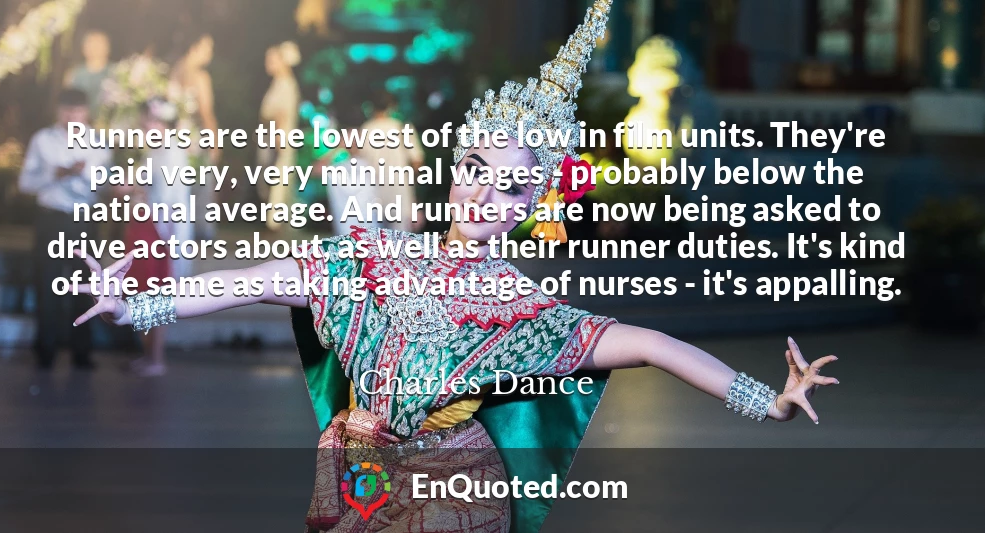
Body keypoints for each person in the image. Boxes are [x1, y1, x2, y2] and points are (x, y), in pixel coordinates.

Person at [71, 2, 839, 530]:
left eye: (509, 186)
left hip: (455, 492)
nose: (482, 194)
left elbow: (649, 344)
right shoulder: (373, 255)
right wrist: (140, 302)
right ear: (454, 165)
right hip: (359, 476)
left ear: (531, 203)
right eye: (474, 169)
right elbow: (257, 280)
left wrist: (767, 402)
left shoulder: (522, 311)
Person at [19, 89, 111, 370]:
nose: (72, 116)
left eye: (77, 110)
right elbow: (25, 183)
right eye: (67, 109)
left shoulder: (99, 142)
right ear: (58, 110)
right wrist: (52, 175)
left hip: (85, 220)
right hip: (51, 219)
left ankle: (82, 351)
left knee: (87, 284)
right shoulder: (43, 139)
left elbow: (107, 185)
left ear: (86, 112)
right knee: (47, 283)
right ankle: (45, 351)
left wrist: (83, 172)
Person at [117, 97, 193, 377]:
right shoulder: (154, 151)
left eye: (155, 121)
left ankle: (156, 357)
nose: (148, 126)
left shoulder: (172, 152)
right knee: (140, 288)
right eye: (146, 121)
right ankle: (148, 353)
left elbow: (169, 199)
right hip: (144, 226)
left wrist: (135, 189)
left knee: (155, 288)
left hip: (157, 230)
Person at [169, 35, 218, 239]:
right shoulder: (200, 77)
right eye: (207, 48)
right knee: (200, 188)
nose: (210, 53)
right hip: (195, 139)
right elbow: (206, 112)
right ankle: (199, 236)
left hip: (174, 138)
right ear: (193, 47)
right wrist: (215, 142)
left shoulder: (174, 72)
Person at [357, 90, 425, 232]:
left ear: (371, 107)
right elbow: (417, 162)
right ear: (392, 106)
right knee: (401, 238)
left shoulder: (365, 130)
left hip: (372, 191)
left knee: (374, 238)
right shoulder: (402, 127)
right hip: (399, 191)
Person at [258, 41, 303, 231]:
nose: (268, 63)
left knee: (278, 179)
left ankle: (275, 223)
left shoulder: (285, 84)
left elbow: (281, 114)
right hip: (273, 136)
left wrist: (278, 137)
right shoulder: (279, 83)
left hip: (279, 137)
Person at [64, 30, 113, 120]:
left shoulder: (116, 72)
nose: (94, 48)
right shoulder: (74, 73)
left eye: (98, 44)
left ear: (107, 48)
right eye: (90, 44)